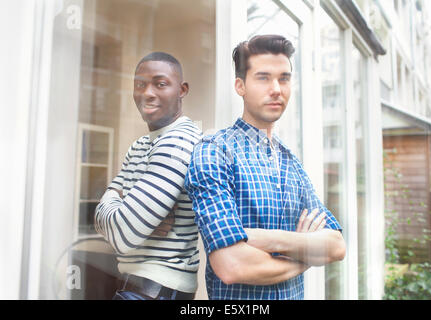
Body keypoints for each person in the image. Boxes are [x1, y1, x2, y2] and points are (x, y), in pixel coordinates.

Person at [184, 35, 346, 300]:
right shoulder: (215, 151)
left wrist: (264, 239)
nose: (276, 89)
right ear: (240, 86)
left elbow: (337, 246)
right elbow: (232, 265)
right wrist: (306, 256)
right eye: (263, 77)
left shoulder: (291, 163)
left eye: (284, 78)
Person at [94, 52, 202, 300]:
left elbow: (123, 234)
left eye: (160, 84)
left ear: (182, 90)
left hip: (158, 290)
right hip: (134, 286)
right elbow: (111, 222)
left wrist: (116, 201)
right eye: (140, 84)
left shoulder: (178, 141)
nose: (147, 93)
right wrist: (119, 207)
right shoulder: (141, 145)